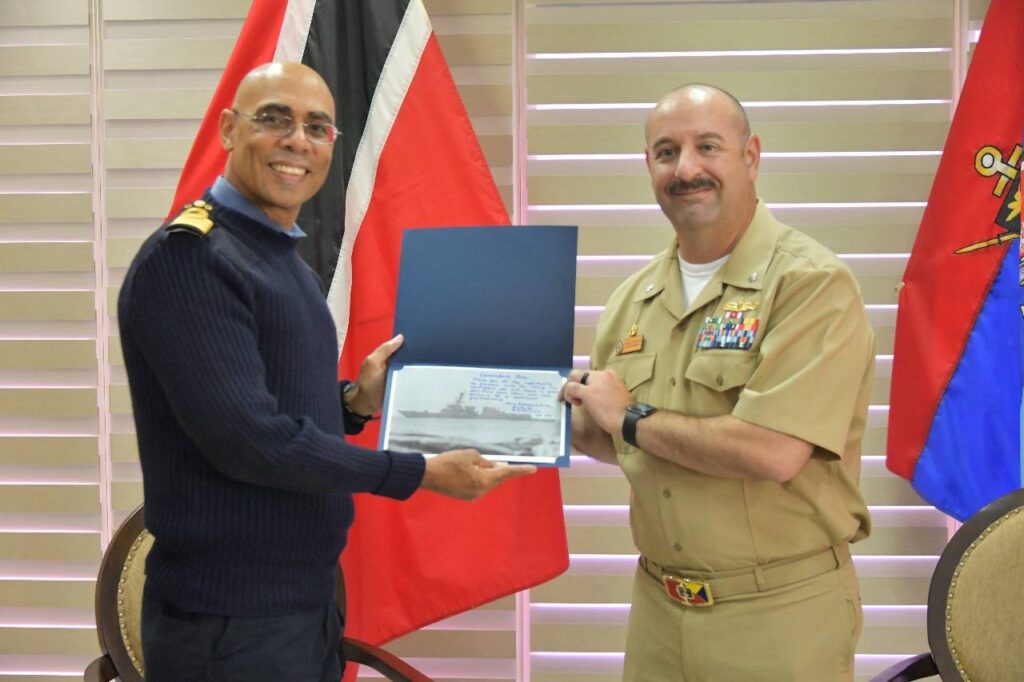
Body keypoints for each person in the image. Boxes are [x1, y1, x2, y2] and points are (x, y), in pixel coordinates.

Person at [118, 62, 535, 682]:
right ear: (229, 129)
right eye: (275, 119)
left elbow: (270, 408)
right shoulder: (191, 259)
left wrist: (354, 403)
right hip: (228, 626)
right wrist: (419, 471)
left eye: (317, 127)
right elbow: (250, 443)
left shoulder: (279, 256)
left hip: (300, 608)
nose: (298, 141)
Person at [561, 84, 874, 681]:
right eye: (666, 152)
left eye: (708, 146)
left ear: (750, 156)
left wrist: (629, 415)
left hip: (778, 615)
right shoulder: (632, 300)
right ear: (648, 167)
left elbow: (773, 450)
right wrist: (514, 408)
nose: (686, 169)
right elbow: (611, 439)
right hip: (659, 610)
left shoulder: (809, 285)